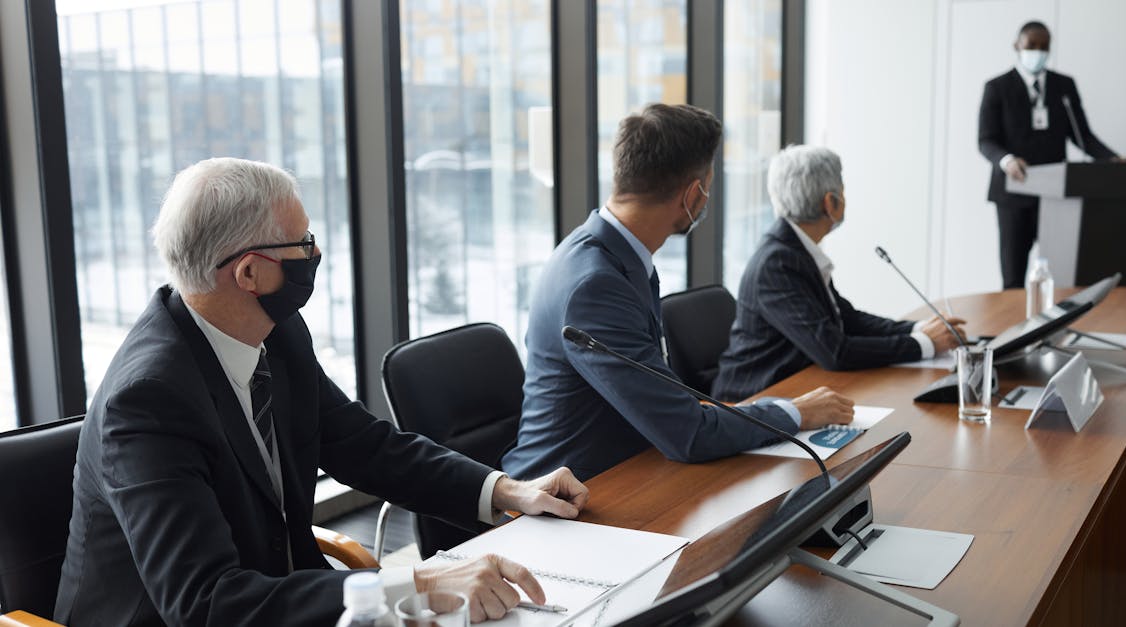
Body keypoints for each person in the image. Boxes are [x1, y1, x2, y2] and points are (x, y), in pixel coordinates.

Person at [54, 158, 589, 627]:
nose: (317, 251)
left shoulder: (276, 332)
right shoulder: (147, 402)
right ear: (249, 272)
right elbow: (207, 603)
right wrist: (421, 584)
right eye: (303, 242)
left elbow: (365, 446)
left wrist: (506, 491)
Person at [502, 104, 854, 483]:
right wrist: (795, 413)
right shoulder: (594, 285)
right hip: (565, 495)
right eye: (709, 187)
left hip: (629, 469)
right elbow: (688, 433)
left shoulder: (616, 255)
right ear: (693, 194)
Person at [712, 146, 967, 401]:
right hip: (749, 399)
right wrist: (924, 343)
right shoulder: (777, 263)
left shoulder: (795, 249)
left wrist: (918, 329)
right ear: (830, 202)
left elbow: (848, 319)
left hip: (792, 386)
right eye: (843, 191)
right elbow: (835, 352)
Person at [979, 20, 1126, 289]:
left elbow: (1082, 136)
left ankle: (1053, 317)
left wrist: (1111, 158)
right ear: (1017, 45)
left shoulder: (1064, 87)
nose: (1037, 51)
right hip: (1013, 193)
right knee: (1013, 277)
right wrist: (1007, 160)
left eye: (1043, 46)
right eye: (1031, 45)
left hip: (1055, 194)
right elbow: (986, 140)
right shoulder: (997, 87)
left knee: (1058, 275)